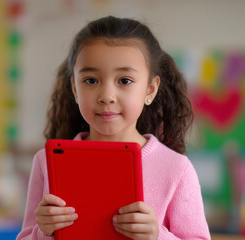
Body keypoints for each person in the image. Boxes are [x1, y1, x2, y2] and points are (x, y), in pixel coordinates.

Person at [17, 16, 210, 240]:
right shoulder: (46, 162)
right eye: (90, 80)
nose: (107, 96)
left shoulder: (177, 168)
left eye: (124, 80)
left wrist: (157, 236)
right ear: (75, 89)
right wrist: (44, 232)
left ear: (150, 89)